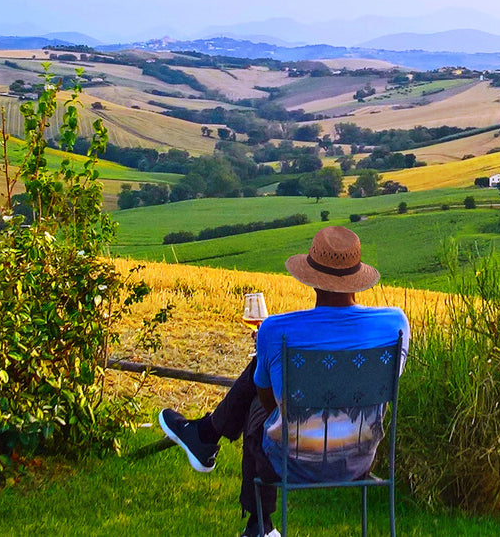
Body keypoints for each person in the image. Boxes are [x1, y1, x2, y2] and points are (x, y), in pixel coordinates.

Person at [158, 226, 410, 537]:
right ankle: (208, 440)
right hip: (357, 460)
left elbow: (269, 403)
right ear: (357, 278)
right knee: (263, 392)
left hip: (290, 463)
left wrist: (267, 354)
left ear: (309, 278)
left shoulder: (276, 329)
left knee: (256, 406)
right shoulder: (395, 324)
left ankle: (256, 519)